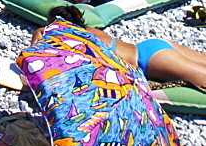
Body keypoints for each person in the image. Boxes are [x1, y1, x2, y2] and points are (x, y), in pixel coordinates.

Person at [31, 5, 206, 86]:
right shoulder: (90, 30)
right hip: (153, 45)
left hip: (151, 61)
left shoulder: (76, 41)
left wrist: (41, 31)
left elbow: (36, 55)